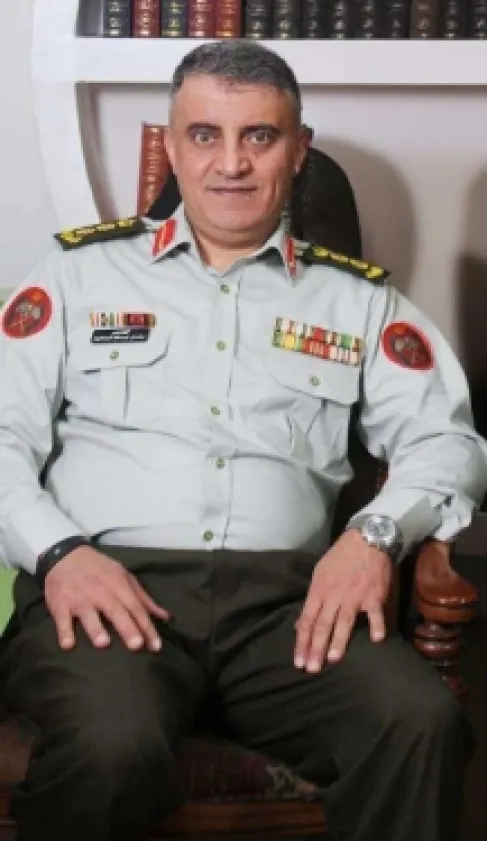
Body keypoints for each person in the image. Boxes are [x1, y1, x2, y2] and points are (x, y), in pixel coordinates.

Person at [0, 40, 485, 841]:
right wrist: (58, 554)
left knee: (418, 720)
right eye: (205, 135)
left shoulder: (356, 300)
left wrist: (373, 534)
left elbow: (448, 442)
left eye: (259, 136)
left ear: (298, 150)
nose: (230, 163)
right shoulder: (77, 274)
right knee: (111, 744)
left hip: (289, 608)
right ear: (171, 145)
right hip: (108, 592)